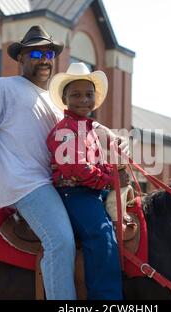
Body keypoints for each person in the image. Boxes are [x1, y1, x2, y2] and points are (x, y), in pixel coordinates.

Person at [0, 25, 77, 300]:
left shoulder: (54, 101)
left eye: (49, 53)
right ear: (21, 58)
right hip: (27, 185)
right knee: (60, 242)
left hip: (55, 185)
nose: (44, 59)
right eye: (36, 52)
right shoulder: (3, 86)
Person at [46, 62, 129, 299]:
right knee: (102, 236)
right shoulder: (63, 130)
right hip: (75, 194)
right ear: (65, 99)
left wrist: (112, 170)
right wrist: (111, 180)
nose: (84, 100)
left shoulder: (89, 129)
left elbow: (95, 164)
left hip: (91, 190)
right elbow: (77, 169)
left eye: (89, 94)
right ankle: (106, 298)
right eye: (76, 95)